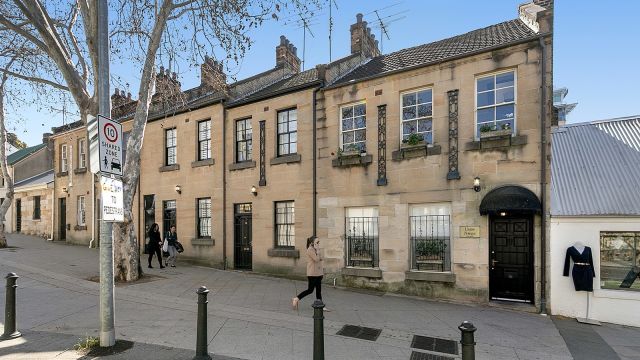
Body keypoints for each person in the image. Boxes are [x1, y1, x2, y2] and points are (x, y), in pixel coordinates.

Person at [292, 236, 329, 311]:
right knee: (310, 290)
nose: (318, 243)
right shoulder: (310, 250)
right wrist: (318, 251)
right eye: (317, 242)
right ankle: (296, 298)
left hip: (318, 273)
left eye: (319, 242)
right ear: (312, 243)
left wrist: (318, 251)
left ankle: (321, 305)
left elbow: (320, 258)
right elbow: (316, 259)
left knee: (318, 290)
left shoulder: (315, 249)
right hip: (312, 273)